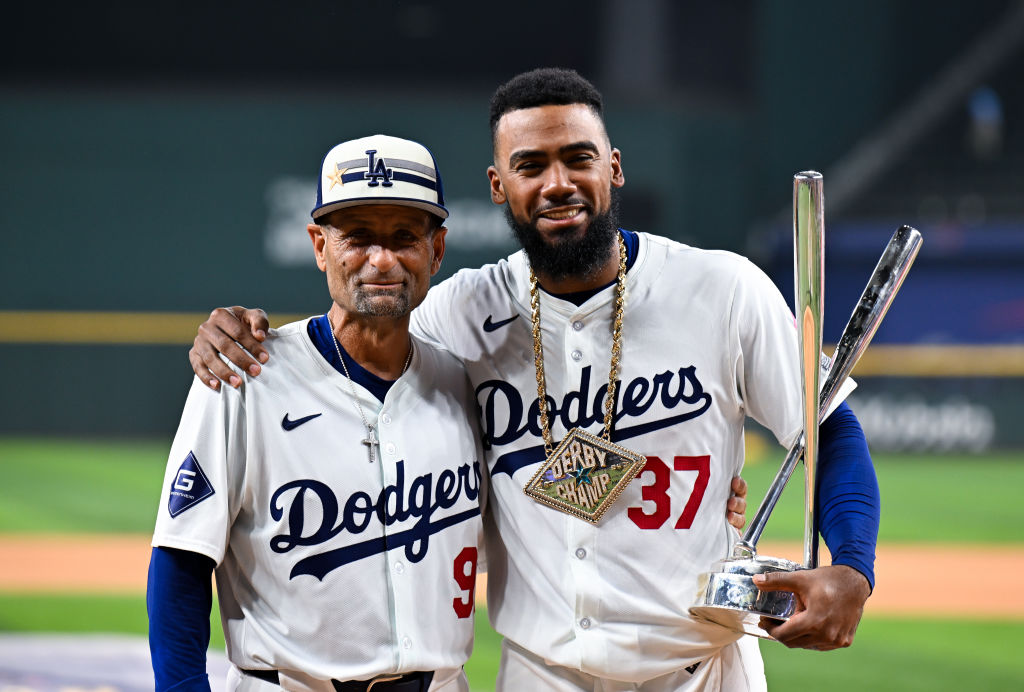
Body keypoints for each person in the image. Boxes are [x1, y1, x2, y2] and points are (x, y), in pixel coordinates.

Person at [189, 68, 879, 690]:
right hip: (540, 675)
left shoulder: (722, 289)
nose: (558, 182)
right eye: (531, 165)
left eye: (578, 158)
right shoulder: (456, 314)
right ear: (499, 187)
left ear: (613, 168)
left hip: (702, 672)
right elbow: (353, 355)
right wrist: (239, 332)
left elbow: (829, 430)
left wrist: (852, 565)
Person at [148, 134, 487, 692]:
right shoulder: (242, 374)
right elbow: (181, 562)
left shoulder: (463, 383)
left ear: (437, 250)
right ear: (319, 246)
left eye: (404, 237)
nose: (381, 259)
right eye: (357, 237)